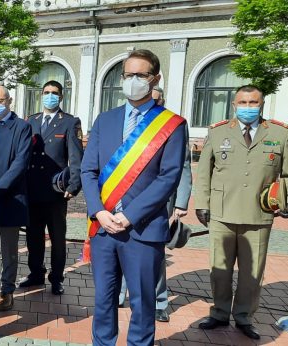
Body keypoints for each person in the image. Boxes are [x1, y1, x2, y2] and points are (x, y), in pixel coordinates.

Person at [81, 49, 187, 345]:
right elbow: (88, 171)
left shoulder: (172, 124)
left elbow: (169, 177)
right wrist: (99, 211)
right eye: (128, 75)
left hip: (142, 228)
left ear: (155, 78)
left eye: (140, 75)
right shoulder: (106, 119)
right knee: (103, 300)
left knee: (142, 303)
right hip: (103, 227)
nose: (133, 81)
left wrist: (130, 215)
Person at [194, 85, 288, 340]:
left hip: (259, 214)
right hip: (222, 212)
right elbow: (204, 173)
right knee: (219, 269)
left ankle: (244, 316)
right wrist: (202, 203)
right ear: (234, 105)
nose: (247, 107)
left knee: (251, 273)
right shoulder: (218, 131)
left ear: (262, 104)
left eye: (253, 102)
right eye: (242, 102)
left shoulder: (279, 133)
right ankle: (220, 312)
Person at [116, 86, 193, 323]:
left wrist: (181, 202)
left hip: (159, 202)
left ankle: (159, 301)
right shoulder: (126, 124)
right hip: (122, 200)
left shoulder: (171, 126)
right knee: (121, 248)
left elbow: (183, 166)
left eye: (156, 100)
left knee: (154, 257)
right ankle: (120, 294)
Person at [19, 80, 83, 295]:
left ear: (61, 97)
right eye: (46, 92)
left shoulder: (70, 122)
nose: (49, 96)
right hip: (33, 189)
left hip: (56, 192)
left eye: (54, 93)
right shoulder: (31, 121)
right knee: (33, 237)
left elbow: (75, 157)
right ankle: (36, 273)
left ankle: (57, 277)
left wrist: (74, 185)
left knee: (57, 239)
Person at [0, 86, 32, 311]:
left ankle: (8, 290)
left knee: (9, 248)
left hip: (10, 196)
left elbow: (21, 162)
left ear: (9, 101)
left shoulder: (22, 127)